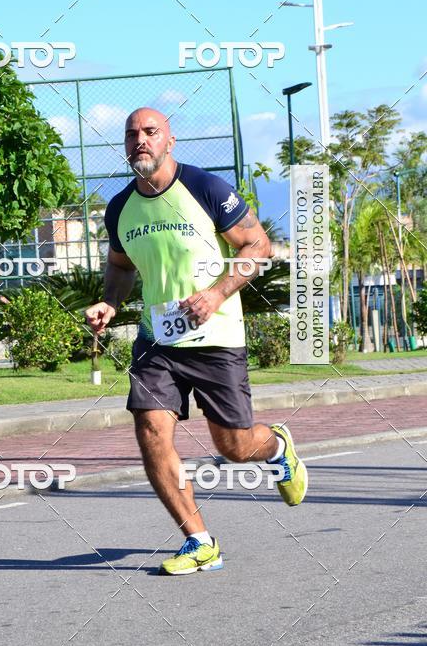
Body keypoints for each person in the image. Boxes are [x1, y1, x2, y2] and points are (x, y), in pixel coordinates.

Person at [85, 107, 307, 576]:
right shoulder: (120, 207)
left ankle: (277, 447)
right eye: (132, 135)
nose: (140, 141)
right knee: (150, 430)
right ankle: (199, 540)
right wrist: (110, 303)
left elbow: (258, 247)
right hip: (157, 340)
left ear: (169, 141)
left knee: (234, 446)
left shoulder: (206, 188)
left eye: (150, 132)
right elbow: (122, 267)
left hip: (217, 338)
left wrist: (215, 293)